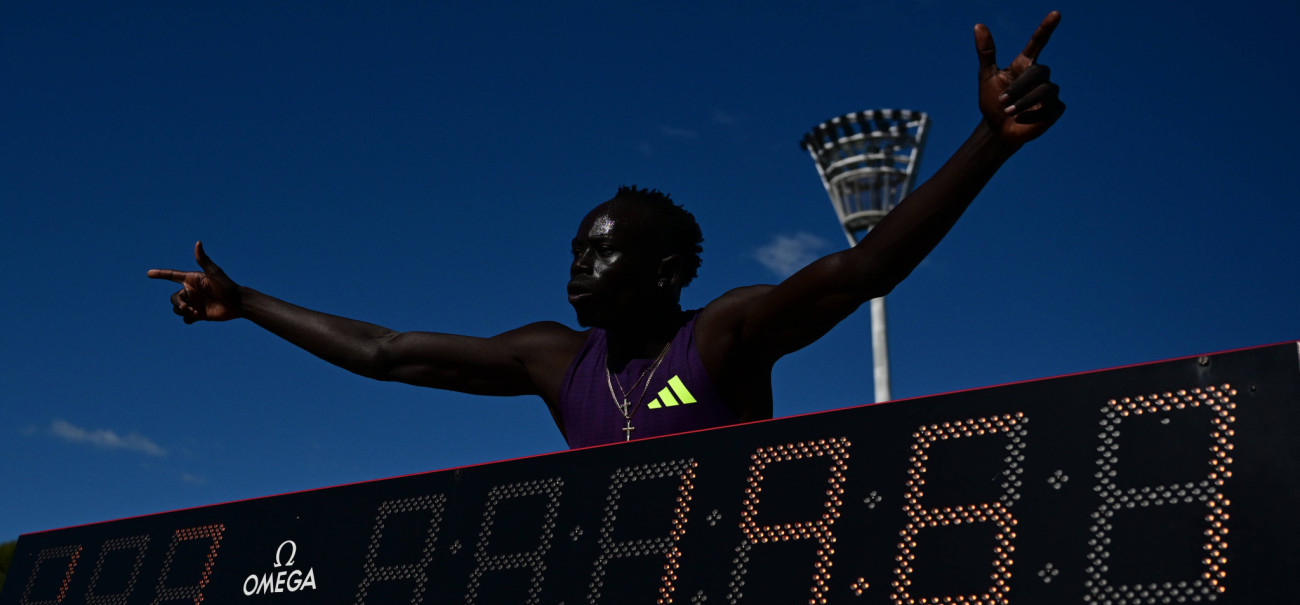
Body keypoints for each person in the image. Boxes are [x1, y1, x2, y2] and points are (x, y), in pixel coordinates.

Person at [149, 12, 1066, 450]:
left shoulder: (723, 333)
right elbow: (386, 352)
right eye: (577, 247)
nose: (577, 264)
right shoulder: (556, 361)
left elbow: (865, 269)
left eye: (601, 249)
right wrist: (247, 301)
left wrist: (991, 141)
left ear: (665, 271)